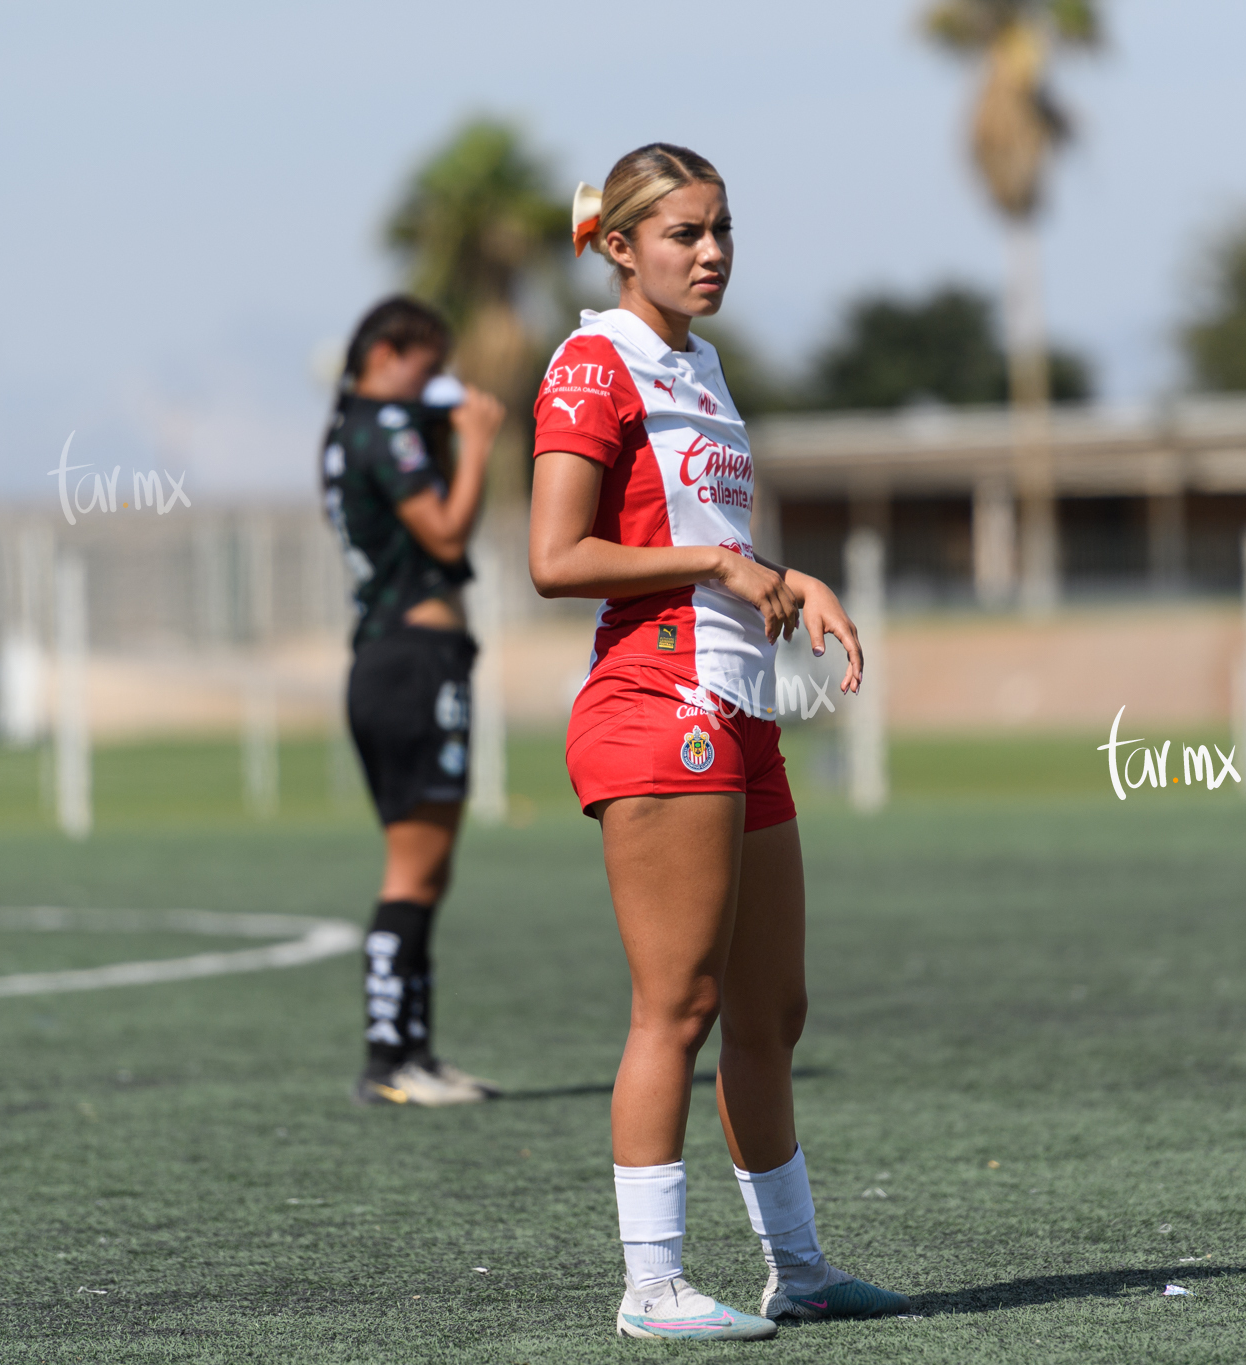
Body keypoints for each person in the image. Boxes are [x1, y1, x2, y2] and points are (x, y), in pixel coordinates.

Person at [527, 144, 911, 1341]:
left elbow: (709, 540)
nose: (710, 253)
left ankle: (795, 1270)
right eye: (684, 234)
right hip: (655, 706)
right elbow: (557, 558)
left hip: (739, 712)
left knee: (771, 1008)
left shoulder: (703, 367)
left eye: (723, 230)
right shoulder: (595, 362)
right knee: (675, 1008)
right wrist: (719, 564)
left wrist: (788, 579)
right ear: (620, 245)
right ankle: (650, 1289)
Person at [320, 295, 504, 1108]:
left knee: (425, 871)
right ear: (388, 352)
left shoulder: (345, 430)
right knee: (414, 869)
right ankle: (388, 1061)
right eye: (428, 366)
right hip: (412, 663)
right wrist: (477, 445)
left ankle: (413, 1054)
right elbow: (446, 533)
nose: (437, 385)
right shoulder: (384, 424)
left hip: (392, 659)